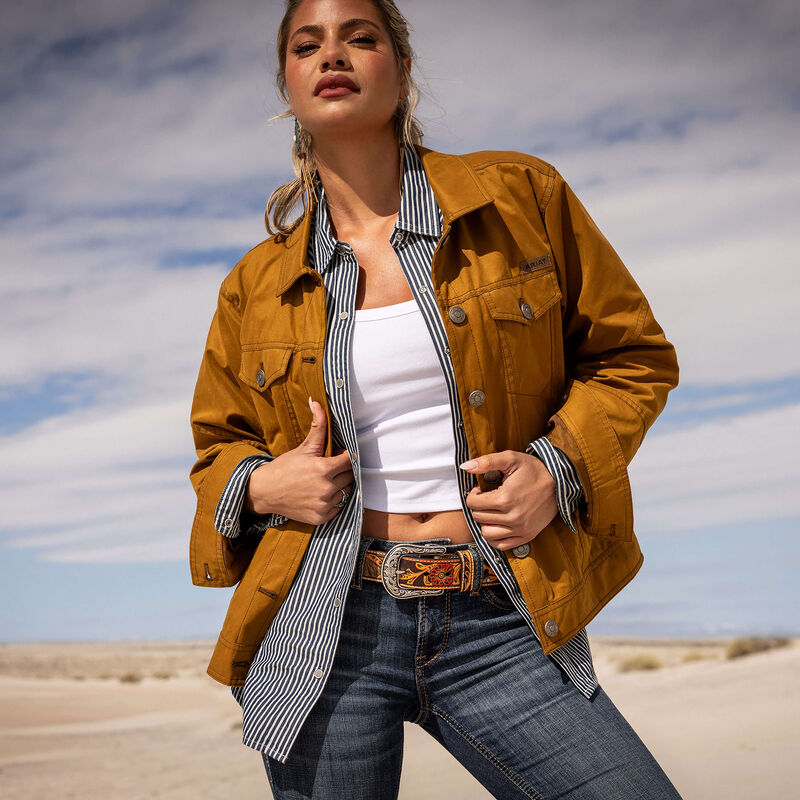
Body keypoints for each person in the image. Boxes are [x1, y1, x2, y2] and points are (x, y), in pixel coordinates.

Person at [187, 0, 684, 797]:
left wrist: (555, 470)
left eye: (361, 36)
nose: (332, 55)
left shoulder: (520, 198)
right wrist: (260, 484)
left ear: (402, 66)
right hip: (326, 622)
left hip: (500, 614)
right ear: (289, 83)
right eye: (307, 44)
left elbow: (632, 358)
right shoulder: (257, 282)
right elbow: (220, 446)